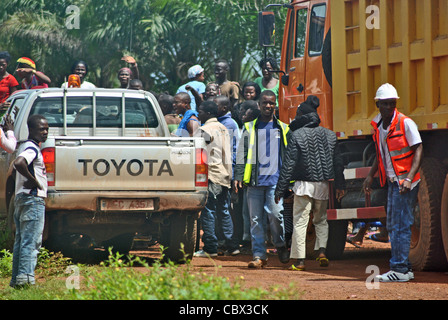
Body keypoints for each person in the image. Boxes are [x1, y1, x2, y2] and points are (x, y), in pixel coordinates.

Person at [274, 96, 346, 271]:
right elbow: (338, 163)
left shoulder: (297, 136)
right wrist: (340, 185)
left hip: (303, 185)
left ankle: (300, 261)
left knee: (300, 221)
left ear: (302, 117)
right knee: (321, 220)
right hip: (322, 184)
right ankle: (322, 252)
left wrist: (280, 189)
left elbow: (289, 165)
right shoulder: (330, 135)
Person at [364, 83, 423, 282]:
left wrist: (408, 178)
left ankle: (398, 269)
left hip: (404, 183)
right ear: (377, 104)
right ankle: (404, 268)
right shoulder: (379, 126)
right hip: (391, 181)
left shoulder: (406, 123)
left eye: (392, 103)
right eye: (386, 104)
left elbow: (419, 149)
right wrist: (371, 175)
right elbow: (380, 155)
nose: (390, 107)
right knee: (392, 223)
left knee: (400, 225)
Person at [233, 90, 290, 268]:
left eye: (271, 103)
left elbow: (289, 156)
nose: (268, 106)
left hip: (275, 181)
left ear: (275, 105)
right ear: (259, 105)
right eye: (265, 103)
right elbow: (241, 153)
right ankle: (259, 255)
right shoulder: (250, 128)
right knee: (255, 220)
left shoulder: (283, 128)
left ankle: (280, 245)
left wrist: (289, 181)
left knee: (275, 215)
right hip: (255, 182)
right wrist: (238, 175)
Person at [194, 100, 239, 257]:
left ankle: (211, 248)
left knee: (208, 212)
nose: (198, 114)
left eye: (200, 111)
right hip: (225, 175)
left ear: (207, 113)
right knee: (224, 211)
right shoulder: (223, 128)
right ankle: (232, 246)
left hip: (211, 175)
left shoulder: (204, 129)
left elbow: (197, 152)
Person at [10, 114, 49, 288]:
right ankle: (25, 280)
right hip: (32, 199)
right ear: (31, 130)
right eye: (41, 129)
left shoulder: (24, 146)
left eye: (47, 128)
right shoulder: (32, 148)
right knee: (31, 241)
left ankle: (16, 280)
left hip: (21, 199)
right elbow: (19, 163)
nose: (45, 132)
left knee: (20, 241)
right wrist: (34, 180)